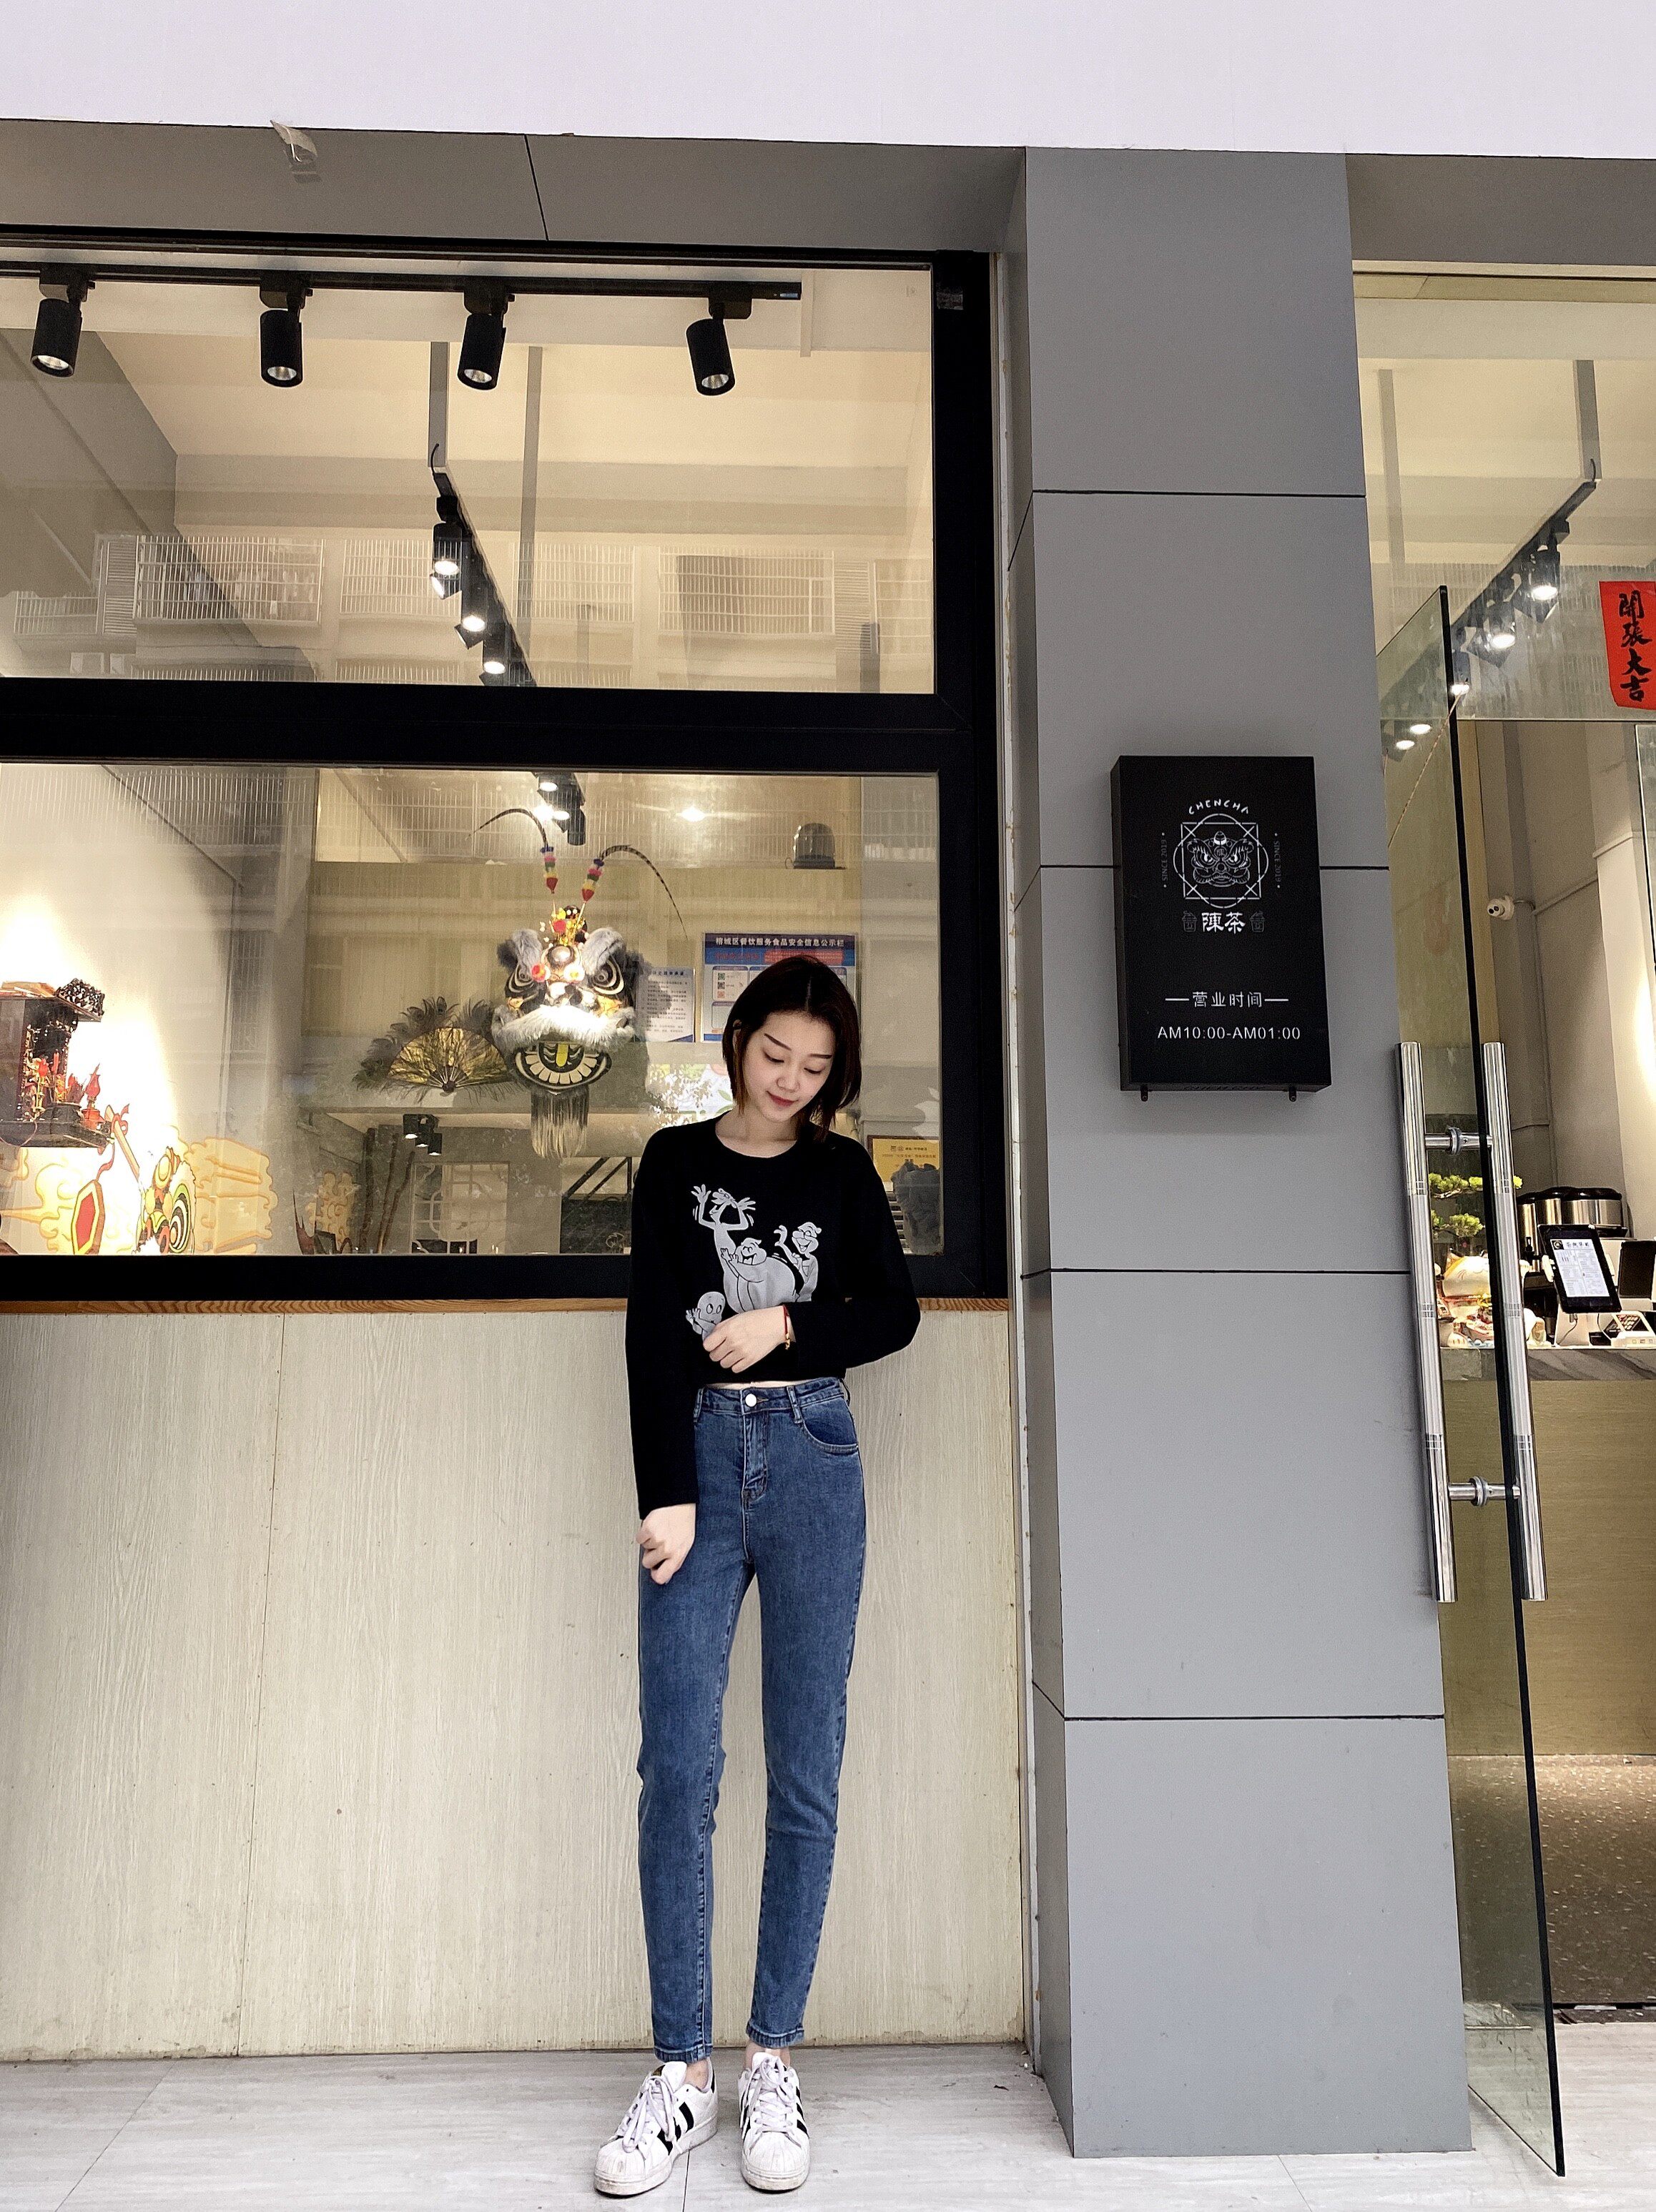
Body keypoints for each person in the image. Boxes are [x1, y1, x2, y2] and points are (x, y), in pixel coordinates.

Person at [594, 954, 920, 2198]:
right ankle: (682, 2071)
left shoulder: (843, 1173)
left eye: (816, 1066)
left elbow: (894, 1311)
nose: (790, 1081)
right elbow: (649, 1330)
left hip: (815, 1451)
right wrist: (664, 1490)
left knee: (806, 1767)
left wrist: (786, 1323)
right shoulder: (674, 1161)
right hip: (698, 1459)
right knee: (677, 1767)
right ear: (738, 1042)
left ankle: (771, 2055)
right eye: (775, 1054)